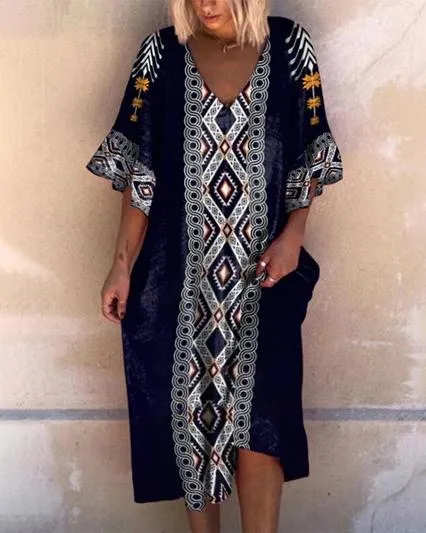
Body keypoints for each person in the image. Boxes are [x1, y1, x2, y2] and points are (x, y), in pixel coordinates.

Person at [86, 0, 343, 531]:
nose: (206, 4)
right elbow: (140, 175)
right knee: (190, 415)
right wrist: (121, 264)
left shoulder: (289, 47)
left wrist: (294, 235)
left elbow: (310, 153)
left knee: (261, 417)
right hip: (178, 276)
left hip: (265, 274)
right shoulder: (162, 55)